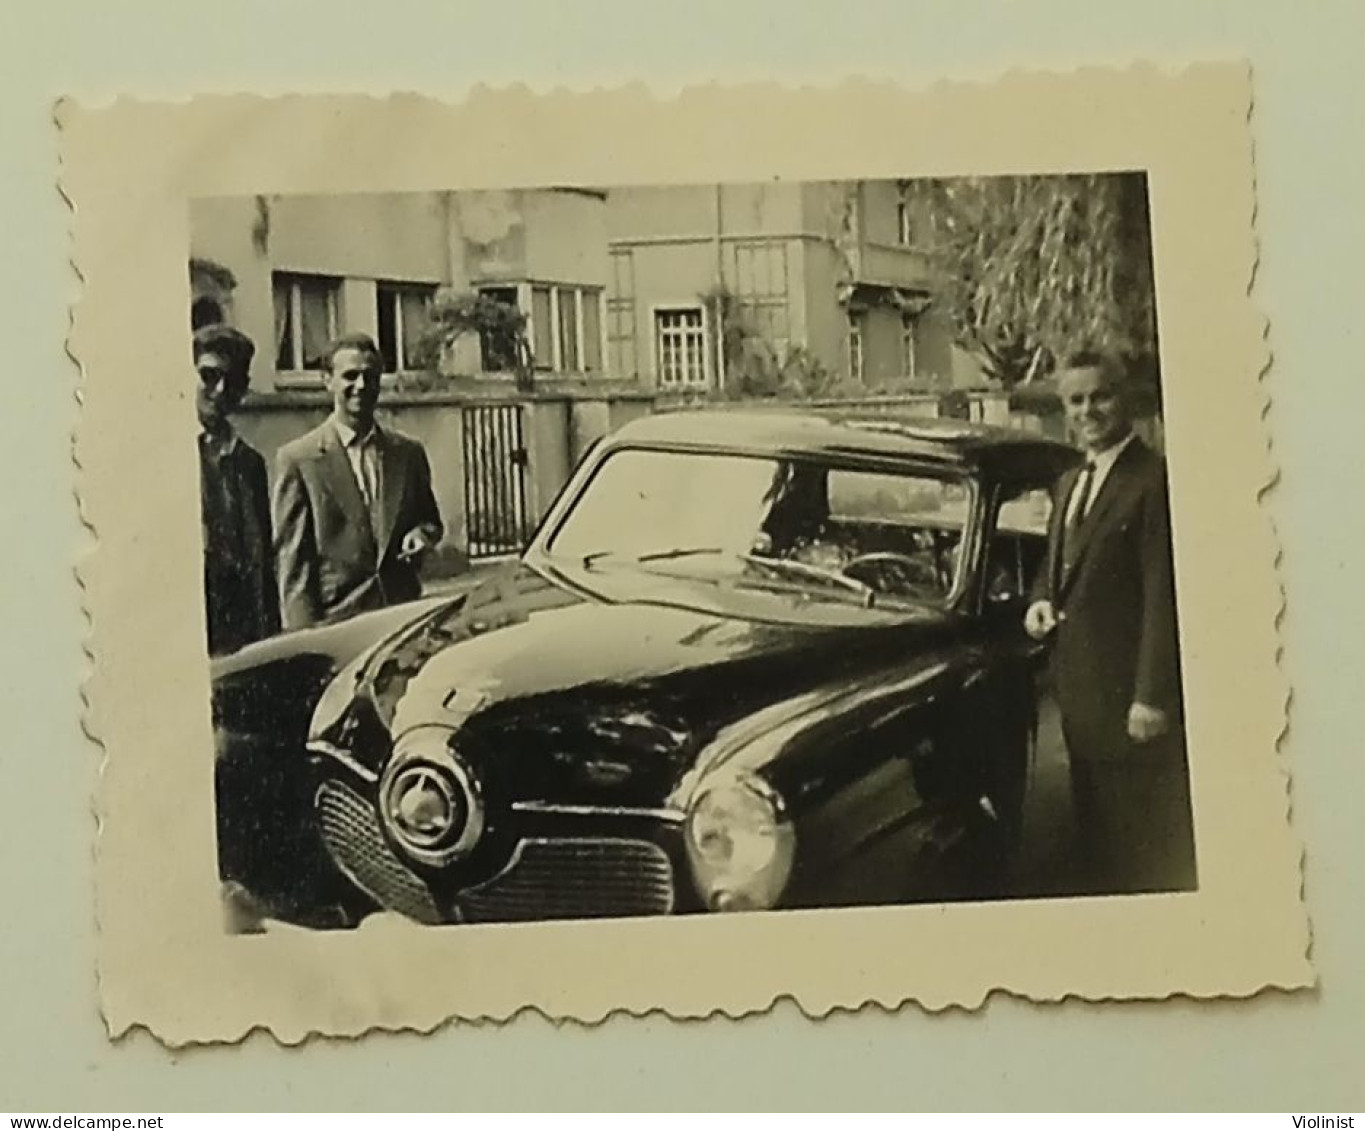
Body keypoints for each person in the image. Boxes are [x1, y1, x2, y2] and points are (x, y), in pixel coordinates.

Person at [1023, 352, 1195, 894]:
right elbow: (1057, 567)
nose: (1088, 410)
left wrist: (1151, 697)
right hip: (1078, 697)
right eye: (1076, 400)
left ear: (1125, 400)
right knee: (1092, 836)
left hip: (1130, 703)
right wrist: (1038, 602)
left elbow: (1162, 593)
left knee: (1141, 844)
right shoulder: (1070, 480)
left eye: (1100, 396)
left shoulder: (1153, 480)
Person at [272, 332, 443, 629]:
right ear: (328, 380)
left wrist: (421, 535)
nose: (361, 386)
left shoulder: (407, 453)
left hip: (401, 620)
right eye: (350, 376)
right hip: (337, 625)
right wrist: (306, 644)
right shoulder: (299, 460)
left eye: (370, 376)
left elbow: (430, 521)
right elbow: (294, 569)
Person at [194, 324, 280, 656]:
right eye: (209, 376)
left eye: (232, 382)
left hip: (239, 634)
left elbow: (261, 562)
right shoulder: (164, 455)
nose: (219, 390)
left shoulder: (249, 462)